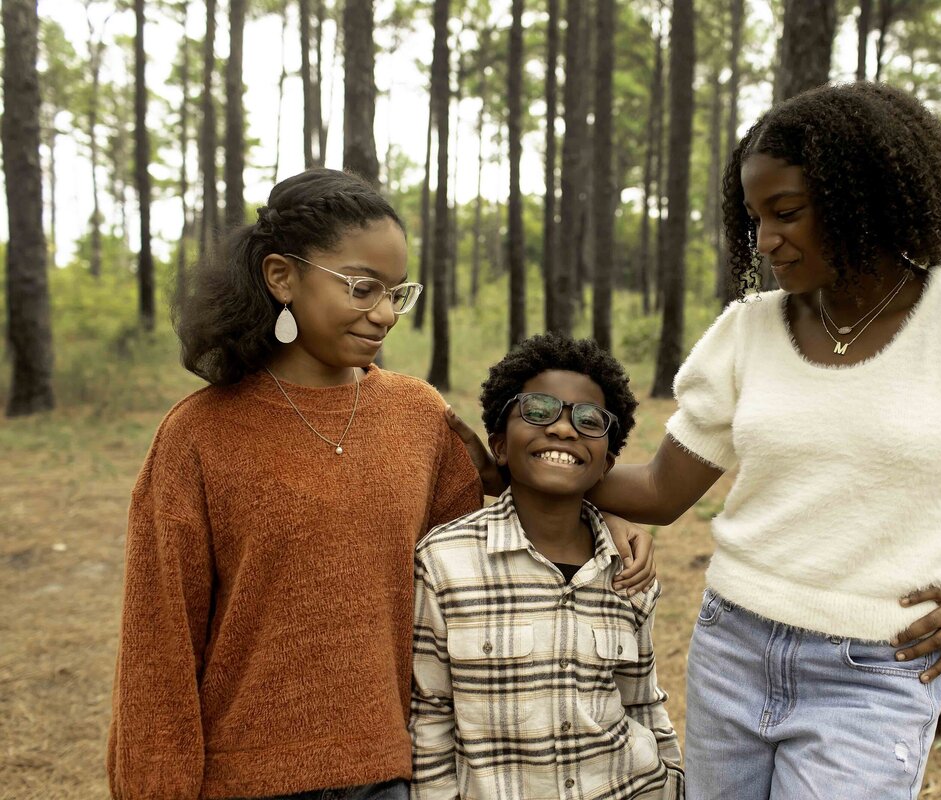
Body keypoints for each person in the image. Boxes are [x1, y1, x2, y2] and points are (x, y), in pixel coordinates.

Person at [450, 83, 941, 799]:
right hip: (731, 646)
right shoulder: (749, 331)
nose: (766, 240)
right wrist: (529, 463)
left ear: (865, 198)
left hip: (875, 672)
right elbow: (663, 493)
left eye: (787, 213)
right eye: (755, 217)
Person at [106, 169, 654, 800]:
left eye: (398, 292)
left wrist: (602, 518)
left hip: (393, 774)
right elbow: (158, 649)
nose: (386, 314)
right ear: (282, 276)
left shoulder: (418, 416)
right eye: (362, 288)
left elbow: (494, 536)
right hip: (242, 780)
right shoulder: (198, 436)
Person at [411, 335, 684, 800]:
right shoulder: (445, 561)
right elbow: (431, 715)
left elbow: (642, 702)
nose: (563, 429)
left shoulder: (628, 570)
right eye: (538, 411)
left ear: (607, 464)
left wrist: (673, 780)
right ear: (499, 444)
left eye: (589, 420)